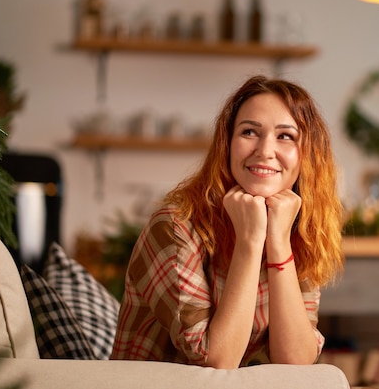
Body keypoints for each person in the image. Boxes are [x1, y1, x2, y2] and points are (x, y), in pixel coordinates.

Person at [110, 75, 344, 369]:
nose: (265, 150)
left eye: (285, 136)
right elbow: (216, 361)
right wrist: (249, 240)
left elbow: (296, 361)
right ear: (227, 145)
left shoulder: (295, 228)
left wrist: (279, 241)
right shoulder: (175, 226)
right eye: (249, 132)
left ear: (306, 155)